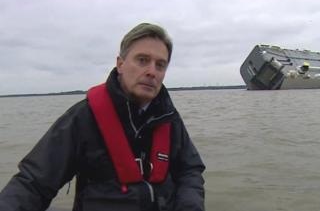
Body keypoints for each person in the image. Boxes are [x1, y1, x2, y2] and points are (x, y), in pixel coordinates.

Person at [0, 23, 205, 211]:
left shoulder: (169, 118)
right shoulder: (84, 117)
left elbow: (190, 170)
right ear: (120, 64)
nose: (152, 71)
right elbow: (33, 183)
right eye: (142, 60)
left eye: (160, 65)